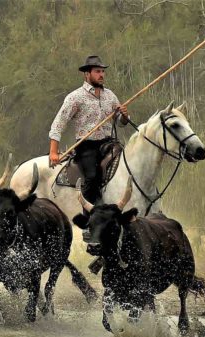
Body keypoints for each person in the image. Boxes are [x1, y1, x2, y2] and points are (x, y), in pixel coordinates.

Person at [48, 55, 129, 237]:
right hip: (86, 146)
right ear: (87, 74)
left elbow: (120, 121)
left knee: (127, 164)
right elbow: (58, 124)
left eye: (102, 71)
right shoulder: (75, 97)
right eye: (97, 71)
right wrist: (53, 152)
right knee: (92, 177)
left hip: (108, 143)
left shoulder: (110, 95)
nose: (101, 75)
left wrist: (123, 115)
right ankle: (89, 224)